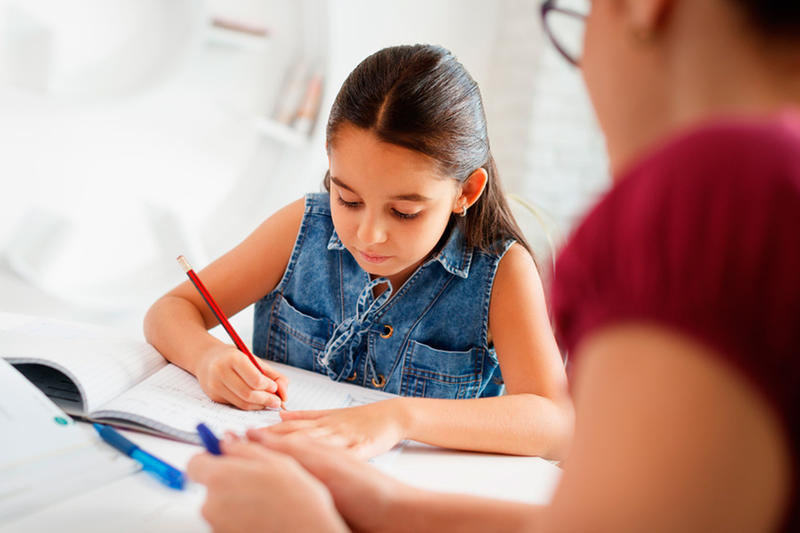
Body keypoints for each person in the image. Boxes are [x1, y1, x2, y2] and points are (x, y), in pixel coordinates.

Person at [186, 0, 800, 531]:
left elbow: (565, 440)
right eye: (347, 198)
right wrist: (382, 505)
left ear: (643, 7)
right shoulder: (763, 187)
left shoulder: (721, 202)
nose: (368, 231)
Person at [144, 44, 573, 459]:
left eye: (404, 212)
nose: (369, 235)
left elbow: (553, 421)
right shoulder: (302, 228)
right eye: (347, 199)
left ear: (466, 191)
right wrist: (208, 358)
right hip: (276, 470)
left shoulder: (501, 273)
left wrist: (400, 418)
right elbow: (171, 309)